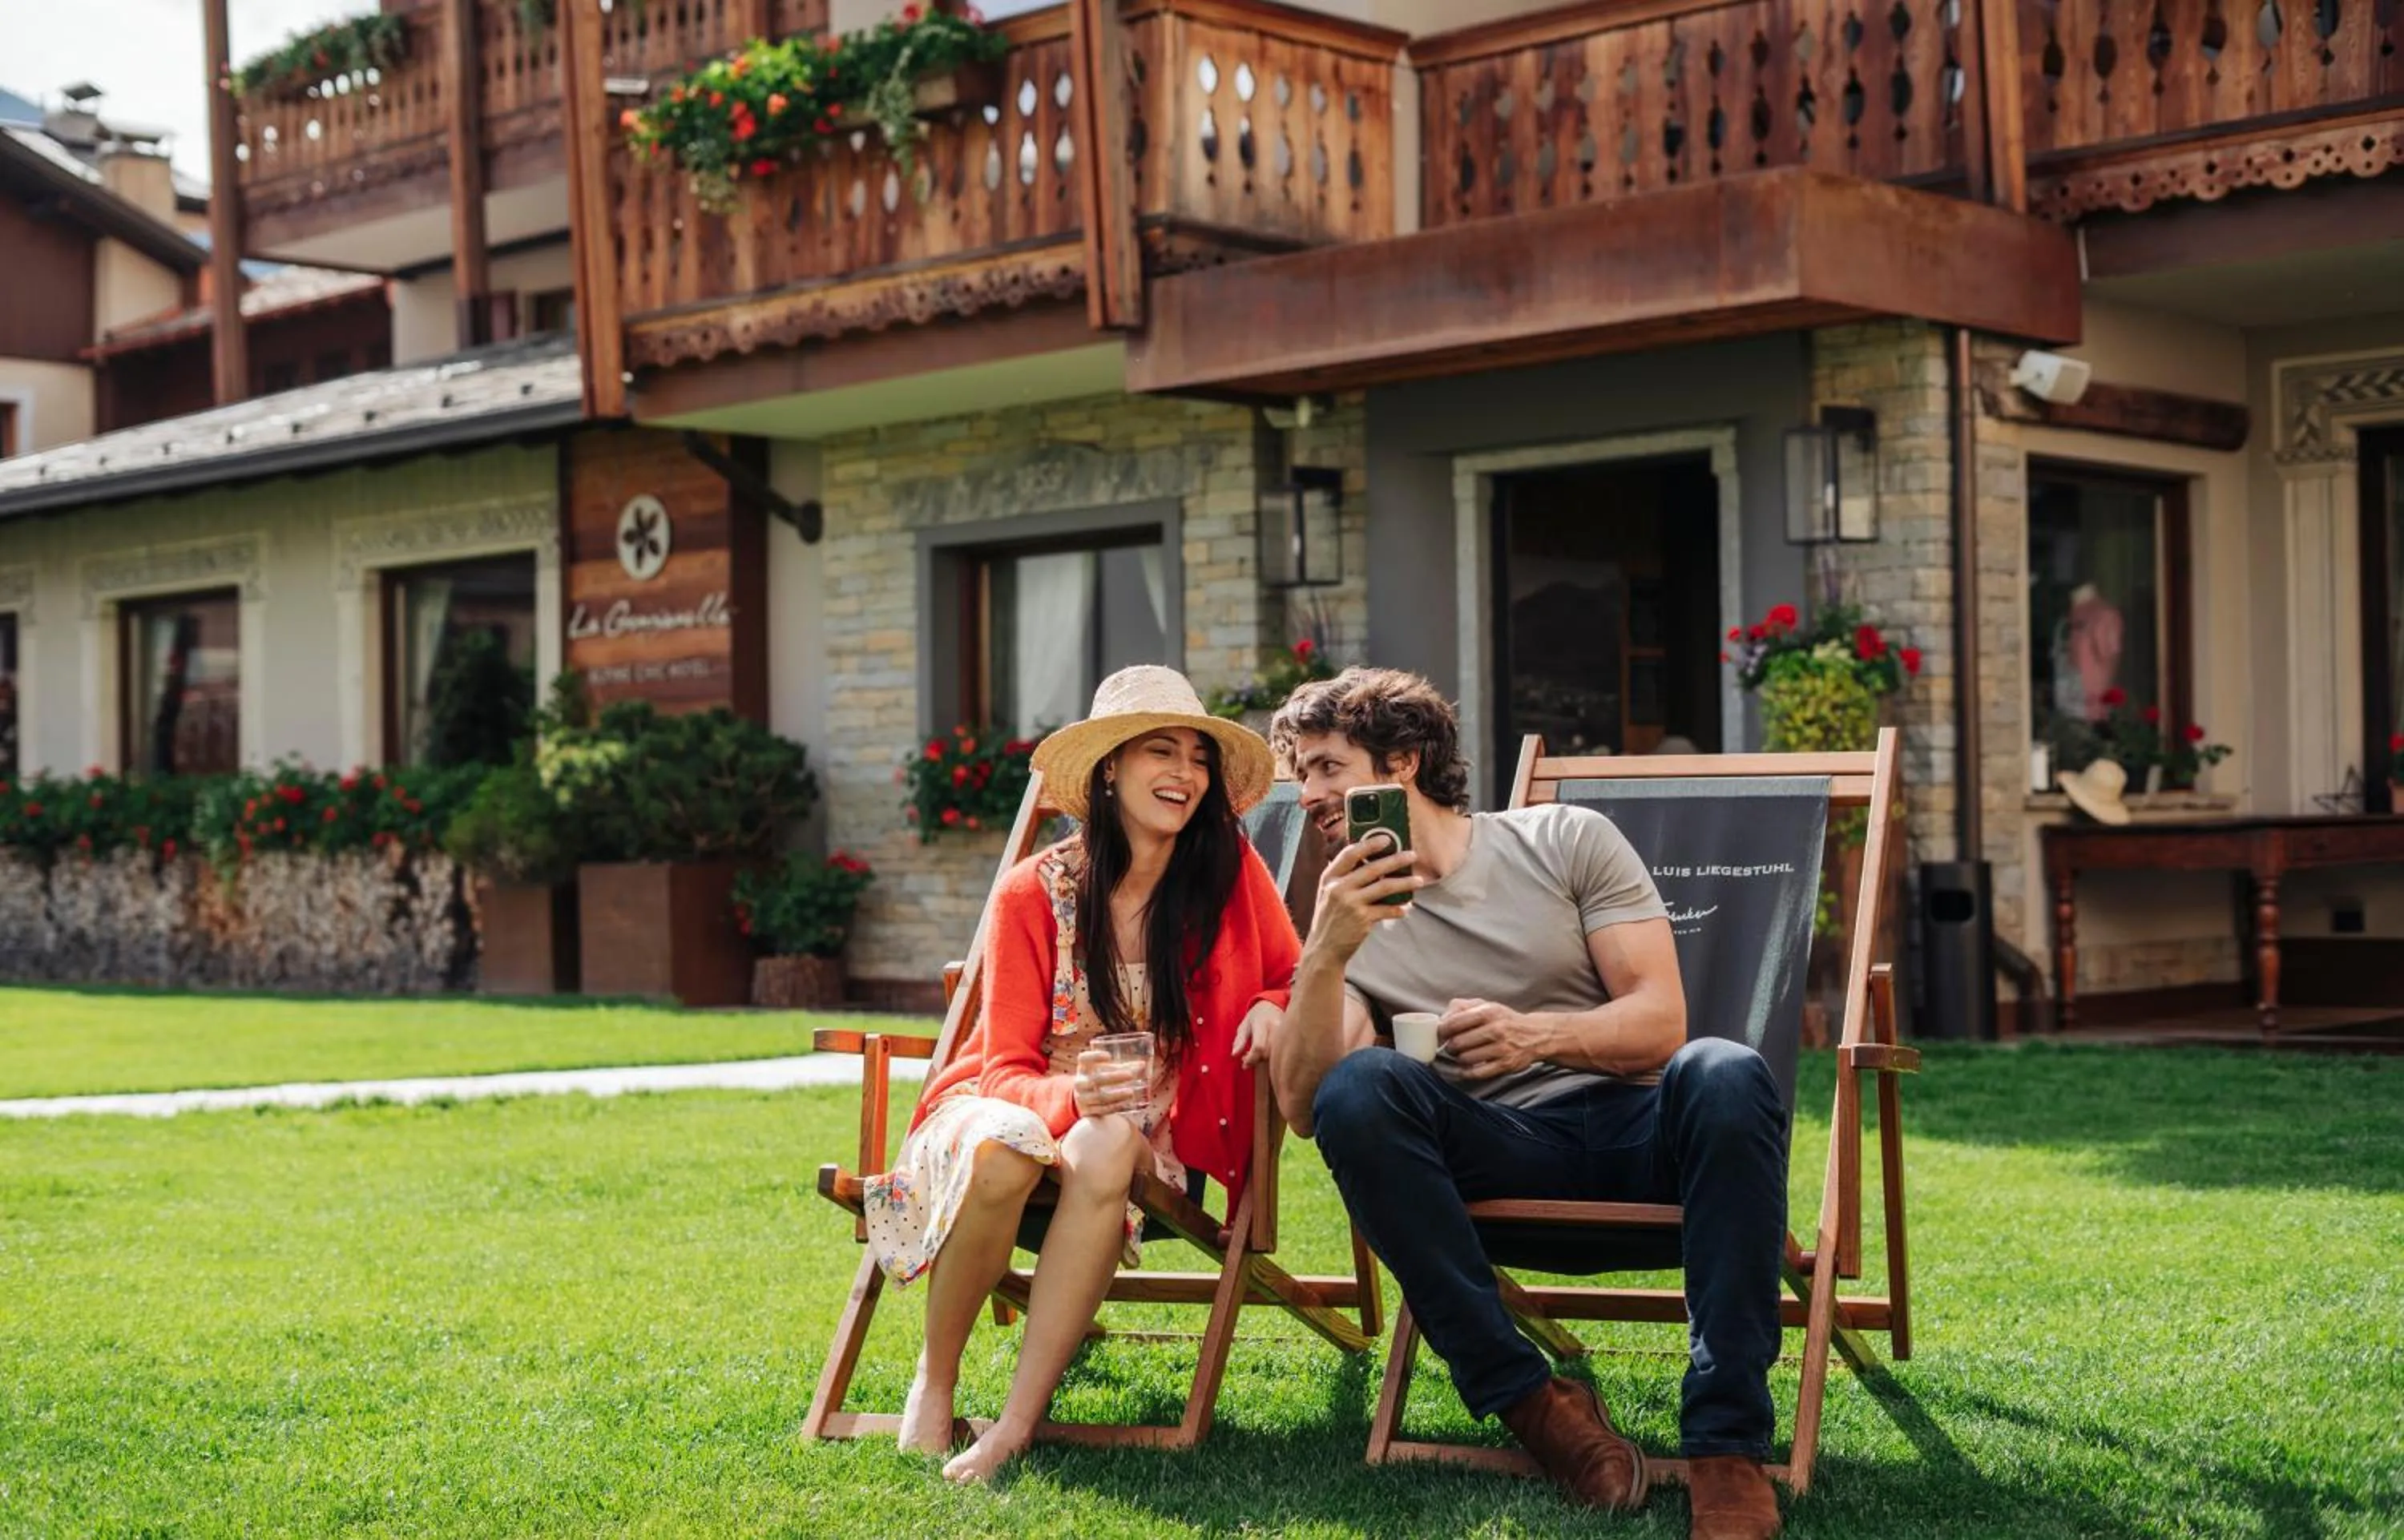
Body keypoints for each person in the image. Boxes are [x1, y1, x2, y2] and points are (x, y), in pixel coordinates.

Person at [1265, 667, 1789, 1540]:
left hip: (1634, 1133)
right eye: (1301, 773)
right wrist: (1324, 950)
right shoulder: (1347, 915)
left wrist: (1534, 1035)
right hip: (1492, 1149)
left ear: (1403, 759)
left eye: (1326, 766)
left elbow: (1661, 1020)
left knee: (1724, 1068)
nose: (1309, 792)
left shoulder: (1563, 838)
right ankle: (1537, 1406)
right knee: (1359, 1087)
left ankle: (1726, 1446)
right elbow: (1303, 1107)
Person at [861, 665, 1298, 1484]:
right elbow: (1005, 1070)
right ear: (1109, 768)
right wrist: (1070, 1094)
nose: (1185, 774)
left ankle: (1014, 1426)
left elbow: (1296, 972)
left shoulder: (1227, 879)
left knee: (1104, 1140)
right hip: (1006, 1105)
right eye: (1160, 752)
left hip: (1135, 1131)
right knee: (1004, 1148)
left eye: (1198, 757)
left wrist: (1274, 1002)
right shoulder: (1032, 892)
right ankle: (937, 1378)